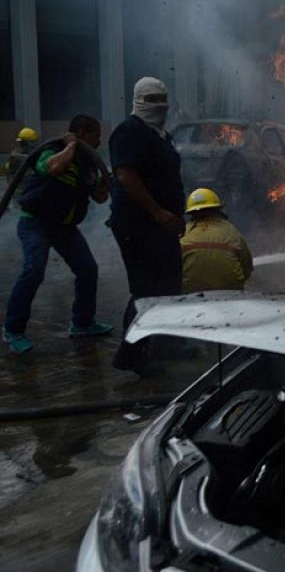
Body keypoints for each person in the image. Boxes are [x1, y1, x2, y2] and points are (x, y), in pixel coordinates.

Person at [3, 115, 112, 354]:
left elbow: (99, 197)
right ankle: (13, 329)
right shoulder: (53, 149)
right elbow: (53, 168)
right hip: (36, 223)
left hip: (65, 228)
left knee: (87, 269)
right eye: (96, 135)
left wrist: (106, 184)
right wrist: (71, 144)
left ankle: (82, 323)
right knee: (34, 271)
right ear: (81, 133)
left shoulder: (88, 163)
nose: (99, 141)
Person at [109, 77, 185, 372]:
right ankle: (131, 356)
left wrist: (176, 215)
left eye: (162, 98)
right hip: (139, 224)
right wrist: (157, 212)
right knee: (147, 291)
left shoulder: (162, 135)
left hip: (162, 225)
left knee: (169, 287)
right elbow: (126, 175)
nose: (159, 105)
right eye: (151, 99)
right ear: (138, 99)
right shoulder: (129, 132)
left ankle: (164, 345)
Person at [181, 188, 253, 292]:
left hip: (191, 296)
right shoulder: (231, 232)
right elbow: (247, 268)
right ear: (217, 209)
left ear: (191, 213)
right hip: (231, 294)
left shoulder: (183, 234)